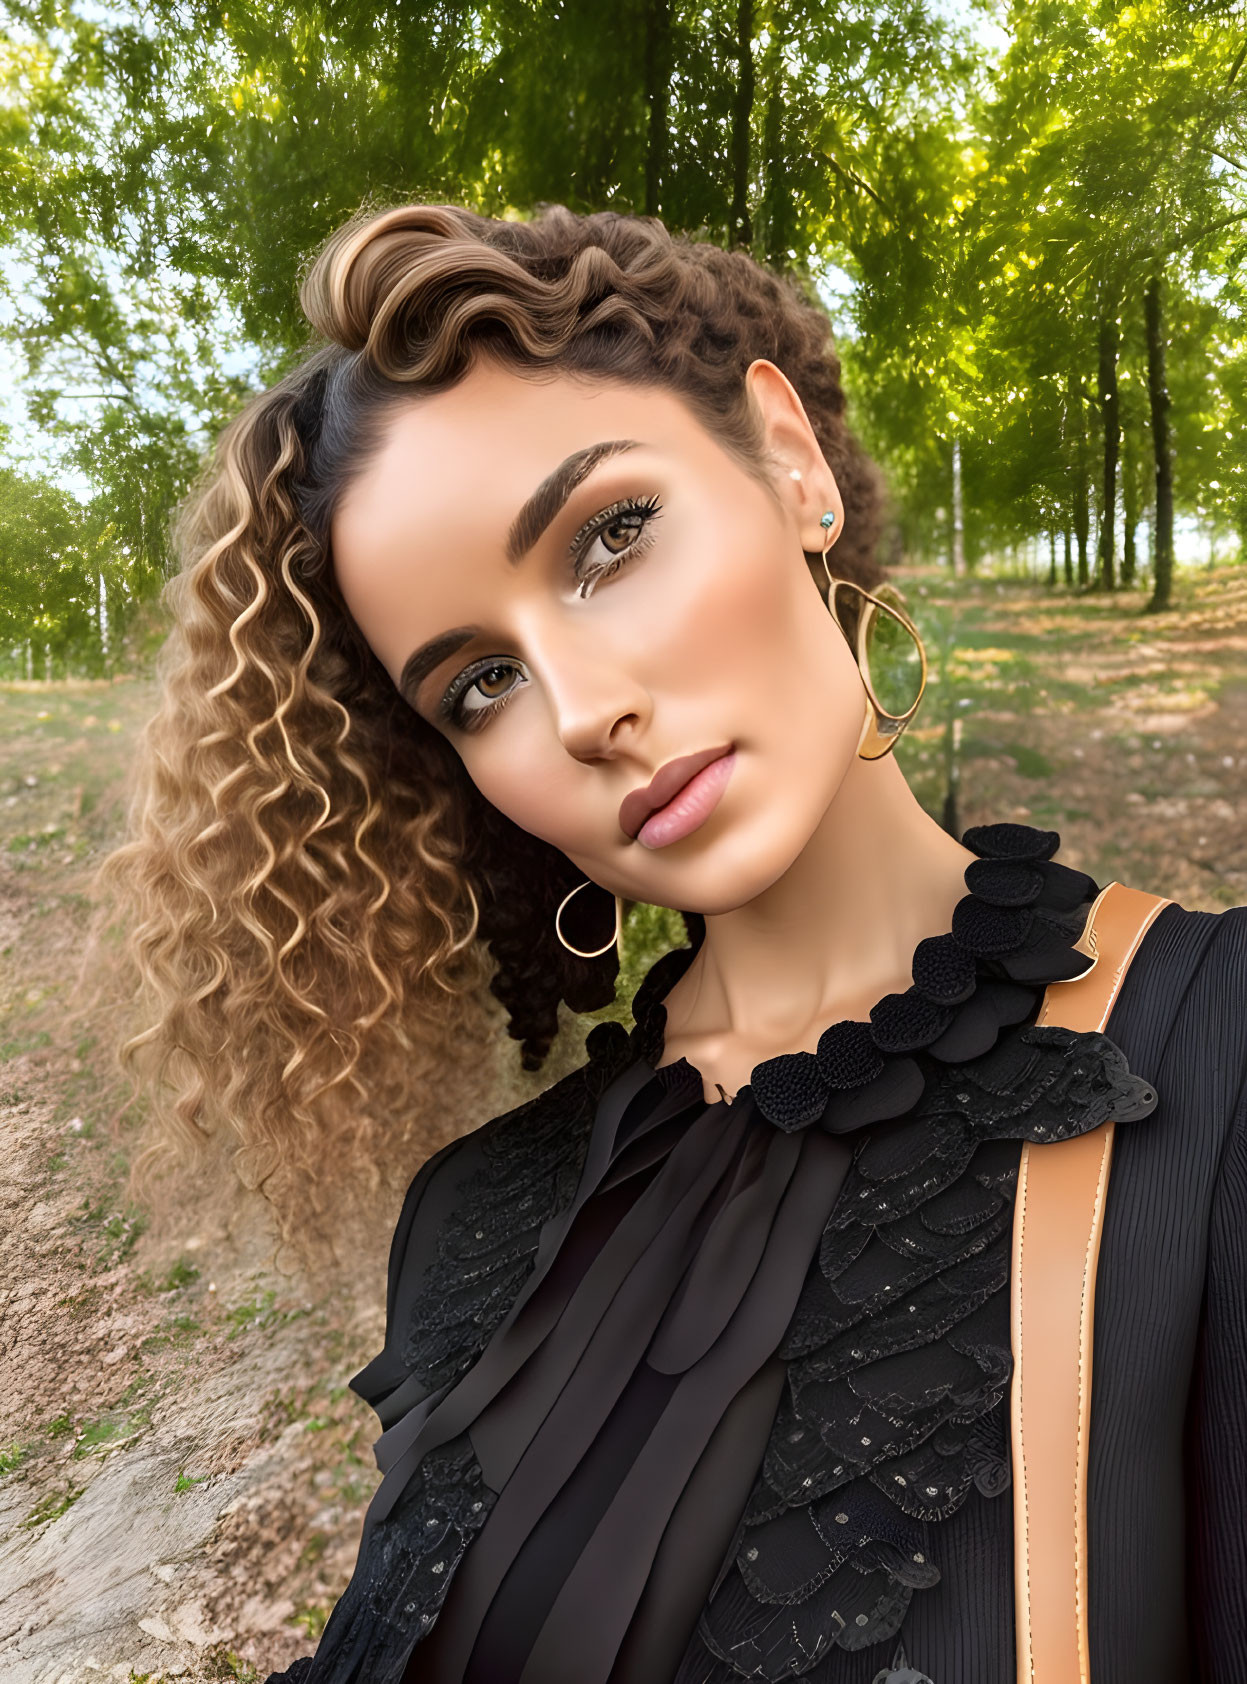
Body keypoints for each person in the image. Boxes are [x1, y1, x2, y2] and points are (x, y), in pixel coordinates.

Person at [107, 201, 1246, 1682]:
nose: (581, 710)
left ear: (788, 461)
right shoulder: (477, 1221)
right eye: (479, 685)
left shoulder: (1212, 1060)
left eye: (611, 538)